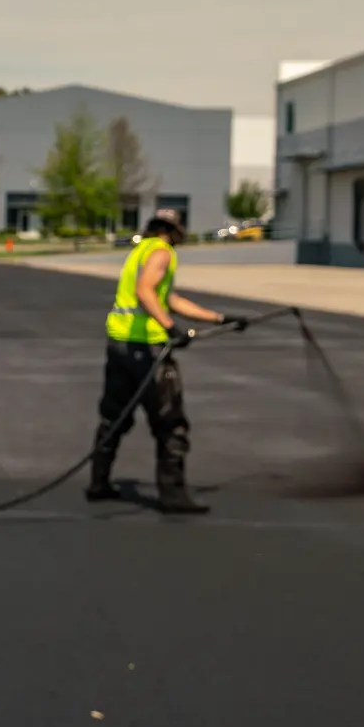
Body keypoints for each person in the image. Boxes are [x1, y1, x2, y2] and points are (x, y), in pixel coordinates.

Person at [87, 208, 245, 514]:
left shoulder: (140, 250)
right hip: (146, 349)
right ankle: (173, 495)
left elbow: (167, 298)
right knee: (170, 422)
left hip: (120, 343)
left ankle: (99, 483)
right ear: (173, 230)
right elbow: (145, 291)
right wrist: (171, 328)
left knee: (114, 417)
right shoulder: (161, 251)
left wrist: (221, 318)